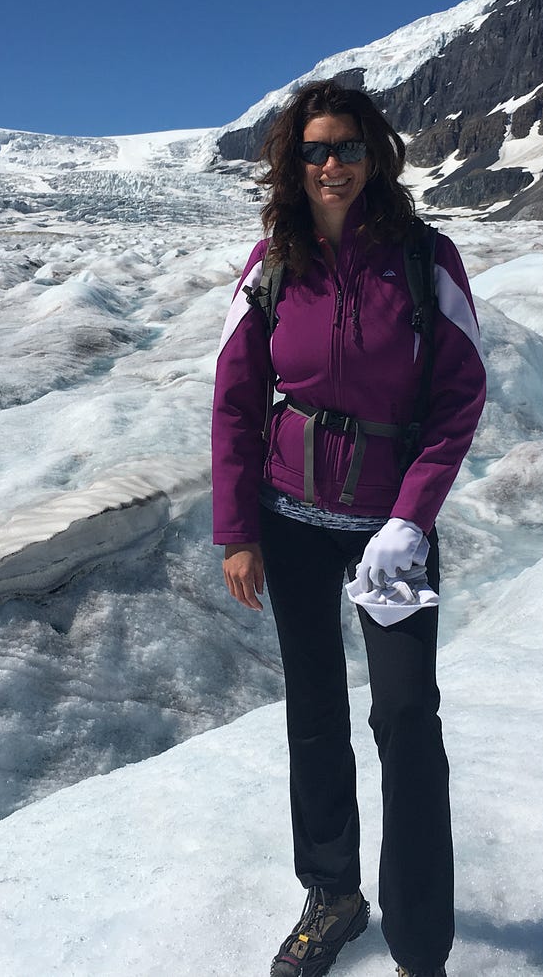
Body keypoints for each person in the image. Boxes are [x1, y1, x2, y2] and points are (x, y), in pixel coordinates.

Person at [211, 79, 487, 977]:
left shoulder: (421, 257)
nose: (333, 165)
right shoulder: (273, 262)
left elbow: (458, 396)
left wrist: (412, 518)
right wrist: (237, 528)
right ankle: (331, 896)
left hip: (389, 533)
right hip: (289, 520)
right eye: (316, 150)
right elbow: (235, 397)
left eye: (349, 148)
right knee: (316, 715)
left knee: (408, 717)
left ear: (378, 156)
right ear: (294, 164)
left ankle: (419, 939)